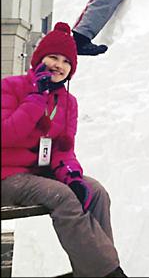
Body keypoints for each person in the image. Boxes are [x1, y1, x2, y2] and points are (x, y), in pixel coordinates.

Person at [1, 23, 126, 277]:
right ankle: (111, 274)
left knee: (95, 192)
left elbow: (63, 150)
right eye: (53, 57)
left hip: (42, 175)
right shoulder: (11, 86)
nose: (59, 65)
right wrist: (36, 99)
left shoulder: (68, 102)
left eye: (66, 61)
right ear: (39, 59)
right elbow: (5, 135)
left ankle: (92, 272)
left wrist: (73, 177)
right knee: (61, 195)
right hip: (8, 176)